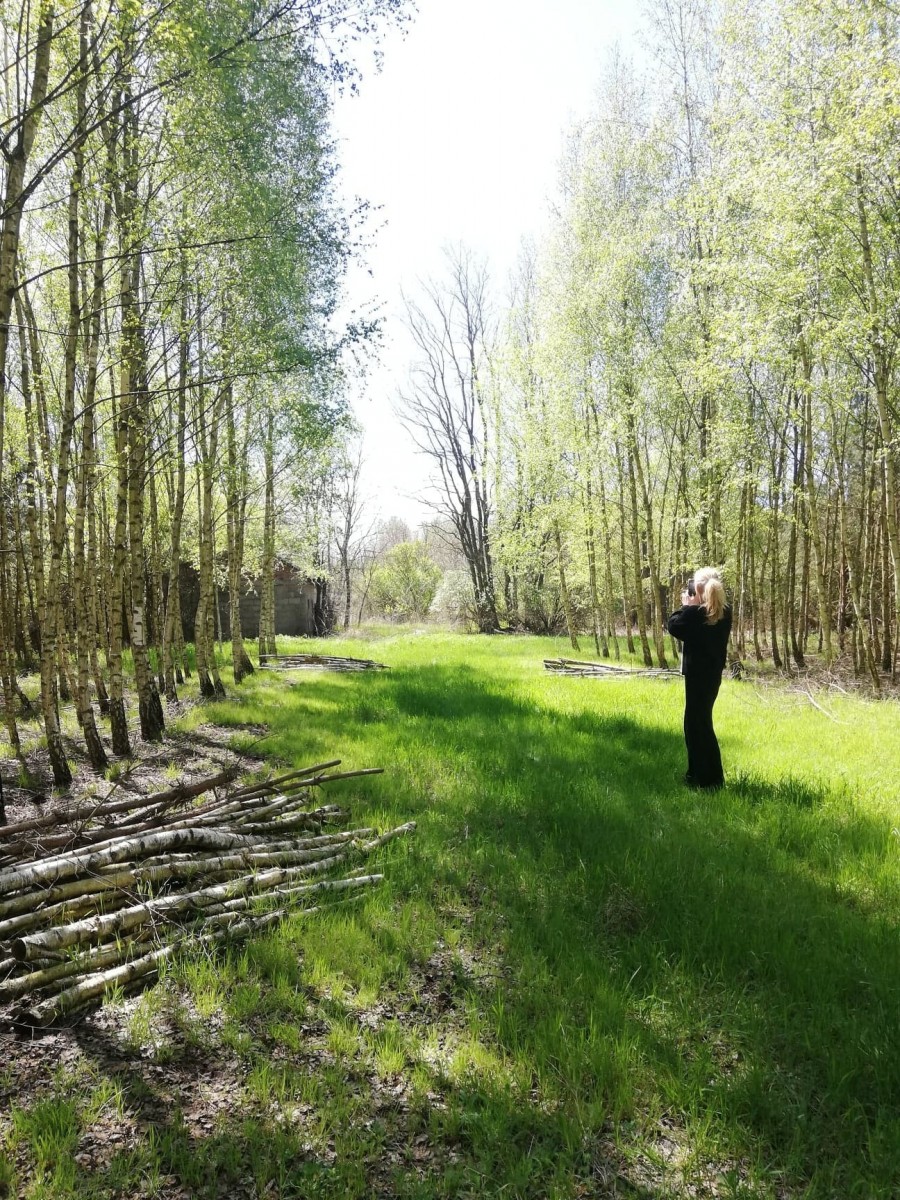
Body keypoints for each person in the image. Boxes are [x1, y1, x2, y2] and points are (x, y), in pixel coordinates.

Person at [667, 567, 732, 790]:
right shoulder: (724, 611)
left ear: (698, 589)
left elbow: (673, 625)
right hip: (712, 676)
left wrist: (686, 606)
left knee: (697, 726)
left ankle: (709, 780)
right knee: (698, 724)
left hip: (697, 676)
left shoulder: (696, 613)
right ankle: (697, 775)